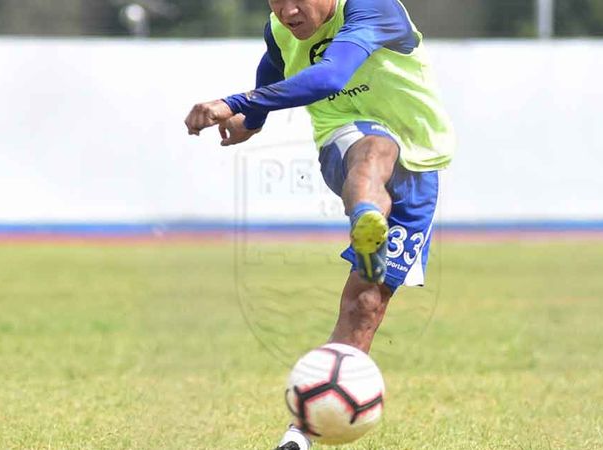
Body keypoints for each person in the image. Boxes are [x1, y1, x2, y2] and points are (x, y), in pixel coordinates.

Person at [184, 0, 454, 447]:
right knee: (374, 148)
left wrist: (240, 106)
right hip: (343, 135)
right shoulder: (280, 25)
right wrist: (252, 117)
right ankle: (366, 215)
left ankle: (303, 433)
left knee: (366, 303)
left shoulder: (373, 8)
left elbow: (328, 75)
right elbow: (275, 61)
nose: (288, 11)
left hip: (421, 164)